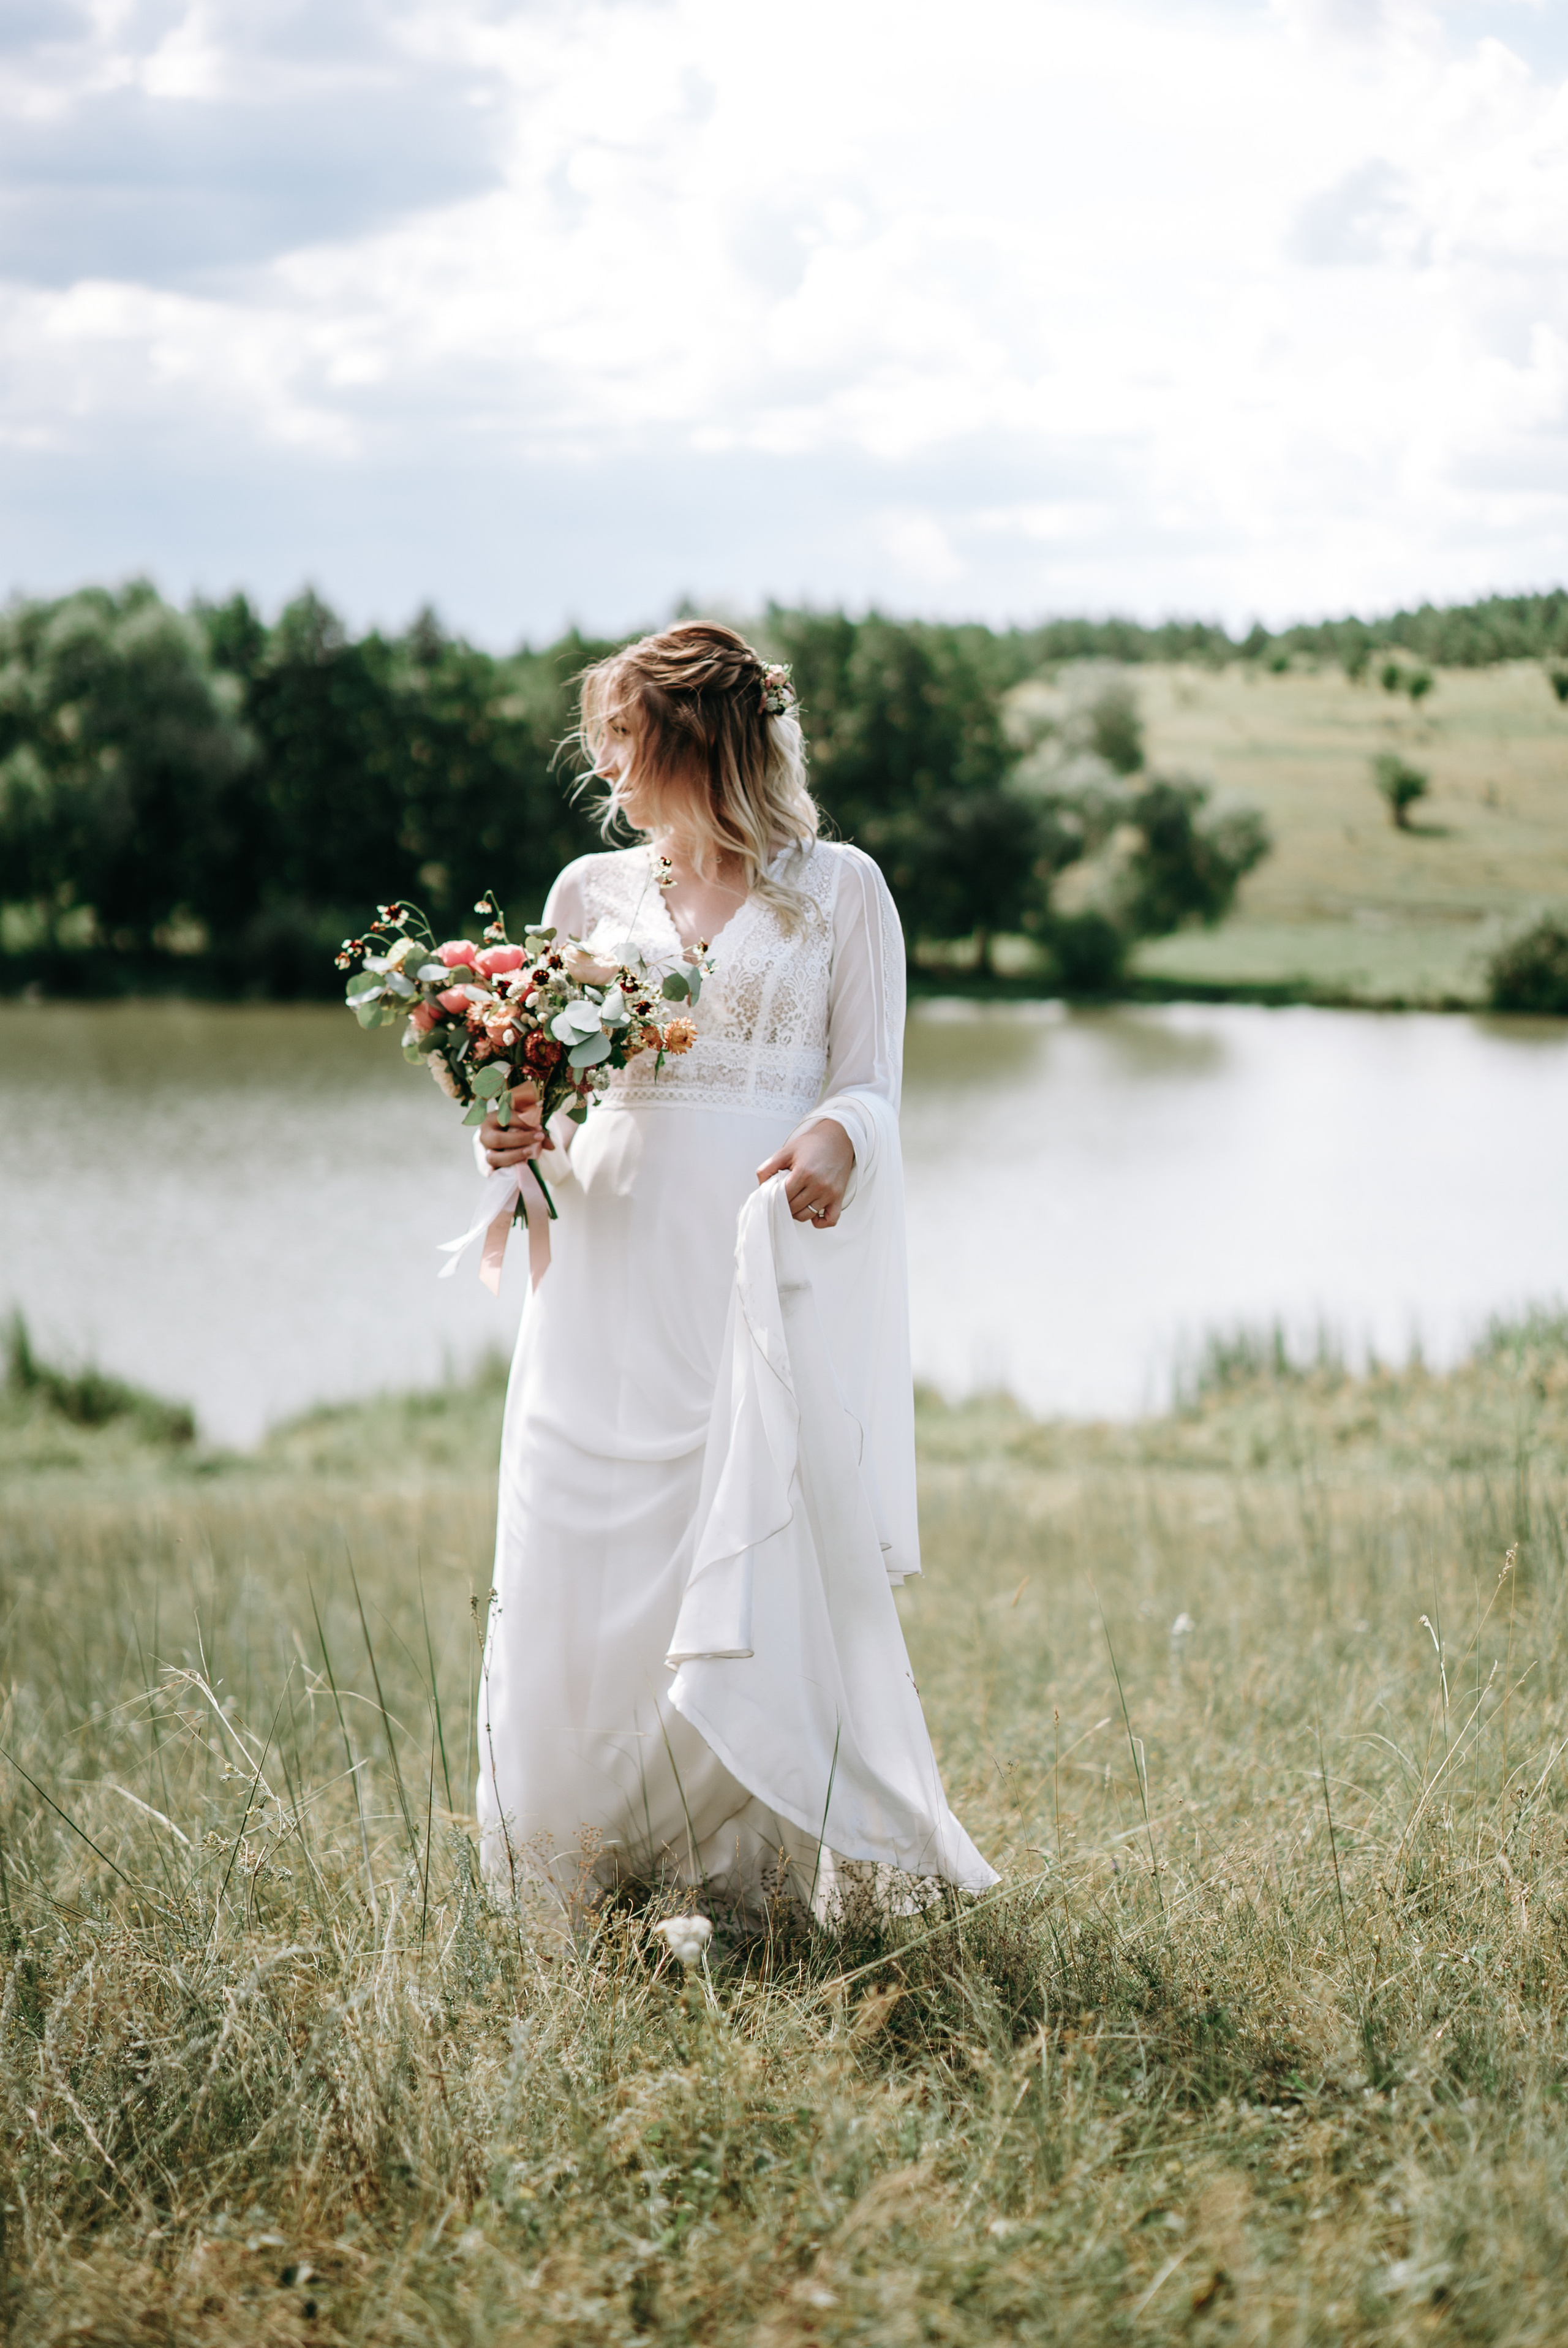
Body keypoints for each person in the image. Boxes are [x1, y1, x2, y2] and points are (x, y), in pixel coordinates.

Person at [473, 621, 993, 1911]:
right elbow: (545, 1091)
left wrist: (833, 1136)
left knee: (750, 1542)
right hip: (603, 1269)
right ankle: (574, 1869)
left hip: (753, 1270)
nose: (605, 762)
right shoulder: (583, 898)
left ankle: (732, 1879)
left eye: (625, 736)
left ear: (698, 744)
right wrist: (507, 1127)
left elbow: (870, 1086)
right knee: (582, 1553)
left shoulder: (841, 890)